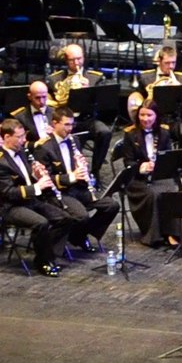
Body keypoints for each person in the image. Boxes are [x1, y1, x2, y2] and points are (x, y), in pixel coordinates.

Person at [0, 119, 74, 277]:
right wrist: (37, 186)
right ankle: (44, 261)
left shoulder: (22, 151)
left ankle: (48, 256)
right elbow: (9, 192)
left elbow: (26, 177)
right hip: (9, 207)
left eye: (23, 136)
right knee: (41, 223)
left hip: (29, 200)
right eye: (19, 137)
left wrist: (36, 174)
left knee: (64, 218)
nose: (23, 140)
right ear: (7, 137)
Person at [32, 106, 122, 253]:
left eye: (72, 124)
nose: (70, 129)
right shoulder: (43, 147)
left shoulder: (75, 140)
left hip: (78, 188)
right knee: (81, 216)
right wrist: (72, 176)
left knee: (111, 205)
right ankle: (76, 237)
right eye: (66, 124)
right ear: (54, 123)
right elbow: (45, 179)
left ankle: (78, 235)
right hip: (59, 193)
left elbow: (77, 164)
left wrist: (83, 167)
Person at [113, 98, 181, 248]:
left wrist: (159, 165)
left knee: (172, 190)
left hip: (159, 175)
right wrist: (142, 167)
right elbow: (128, 162)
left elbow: (168, 156)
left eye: (149, 115)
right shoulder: (130, 134)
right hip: (137, 179)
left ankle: (171, 233)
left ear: (156, 116)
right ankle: (153, 235)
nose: (145, 119)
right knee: (153, 194)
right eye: (142, 115)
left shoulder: (164, 133)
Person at [45, 43, 112, 179]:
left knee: (104, 132)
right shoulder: (55, 79)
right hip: (65, 120)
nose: (76, 63)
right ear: (66, 60)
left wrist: (88, 92)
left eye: (79, 59)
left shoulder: (95, 78)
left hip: (85, 119)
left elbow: (102, 105)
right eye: (72, 60)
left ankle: (95, 170)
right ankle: (66, 172)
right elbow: (48, 102)